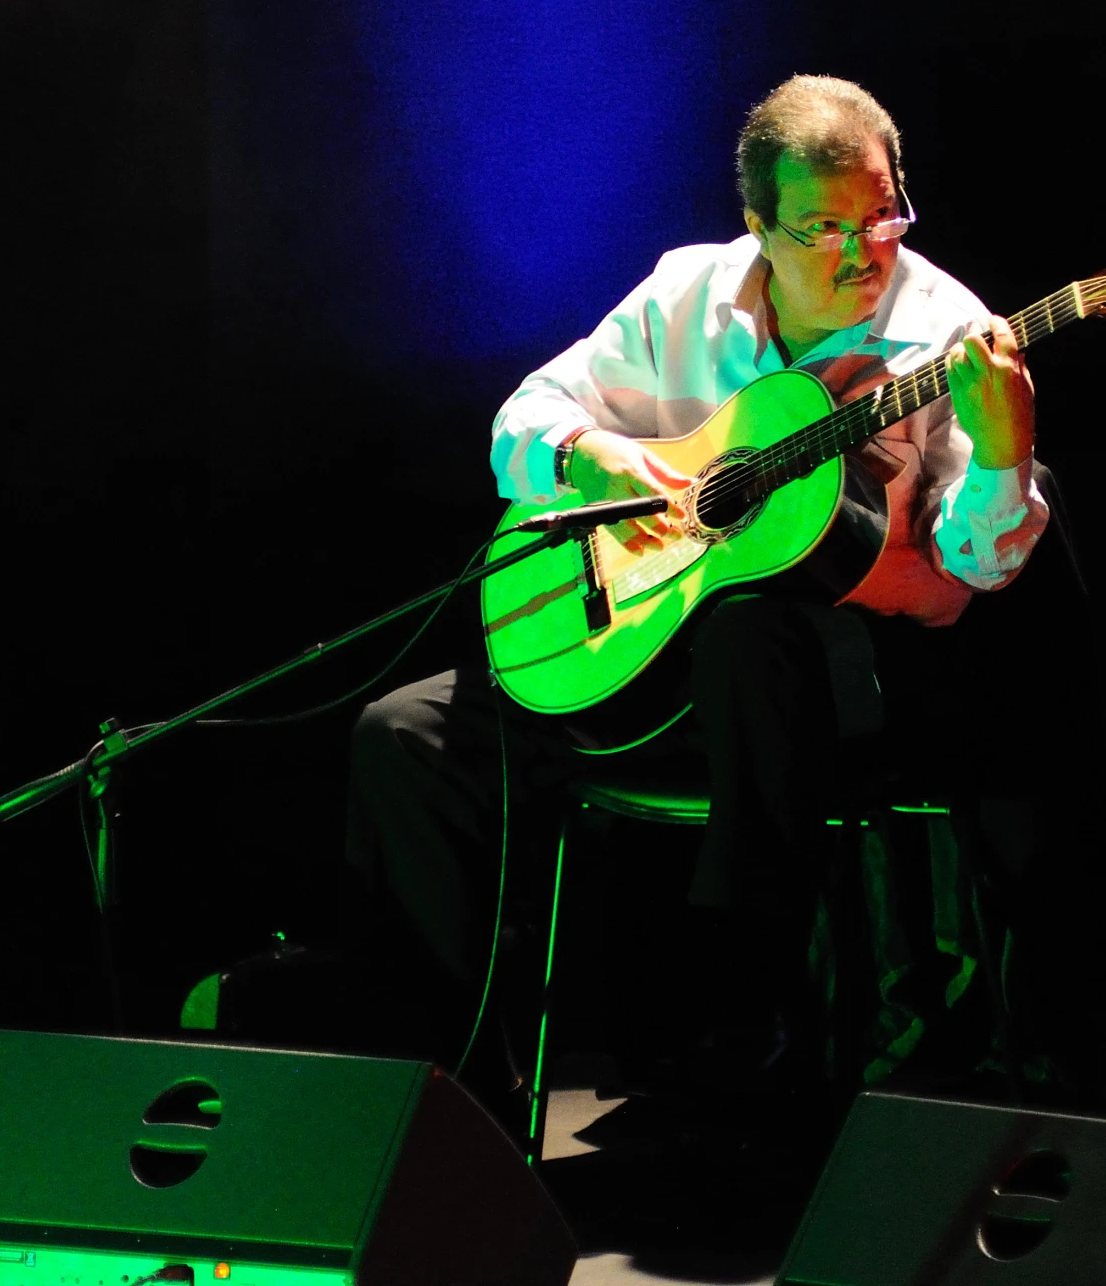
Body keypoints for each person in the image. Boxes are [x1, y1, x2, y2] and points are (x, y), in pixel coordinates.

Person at [342, 75, 1049, 1126]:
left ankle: (741, 1003)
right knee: (401, 731)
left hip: (834, 683)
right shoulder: (687, 294)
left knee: (752, 625)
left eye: (884, 215)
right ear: (759, 226)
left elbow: (976, 568)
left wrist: (1005, 448)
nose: (865, 251)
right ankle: (445, 1091)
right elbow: (525, 417)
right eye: (824, 228)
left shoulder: (948, 335)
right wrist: (604, 462)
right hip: (636, 657)